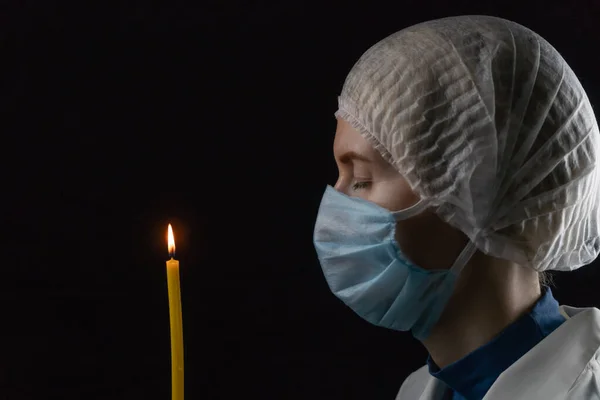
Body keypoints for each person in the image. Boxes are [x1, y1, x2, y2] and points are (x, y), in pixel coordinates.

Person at [313, 15, 600, 400]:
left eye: (362, 179)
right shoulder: (418, 390)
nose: (336, 202)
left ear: (479, 192)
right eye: (341, 177)